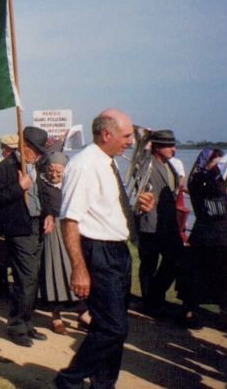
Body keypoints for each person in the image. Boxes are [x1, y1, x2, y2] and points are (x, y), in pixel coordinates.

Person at [54, 109, 154, 389]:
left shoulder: (107, 163)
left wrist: (138, 208)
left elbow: (105, 212)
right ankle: (69, 381)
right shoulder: (85, 164)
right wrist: (79, 268)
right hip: (98, 253)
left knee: (110, 327)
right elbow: (70, 219)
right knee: (114, 328)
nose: (131, 142)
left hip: (117, 251)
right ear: (106, 134)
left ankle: (103, 384)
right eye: (126, 136)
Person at [0, 126, 50, 347]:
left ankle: (27, 322)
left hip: (37, 227)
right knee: (25, 279)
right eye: (36, 150)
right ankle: (16, 326)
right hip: (18, 229)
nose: (39, 154)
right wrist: (19, 187)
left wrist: (49, 214)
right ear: (24, 147)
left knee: (33, 279)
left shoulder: (38, 168)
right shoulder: (3, 168)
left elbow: (44, 194)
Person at [135, 130, 184, 318]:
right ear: (156, 147)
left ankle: (154, 296)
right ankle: (150, 303)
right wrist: (146, 145)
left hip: (167, 224)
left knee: (177, 258)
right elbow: (137, 172)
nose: (174, 148)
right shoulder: (147, 163)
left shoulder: (169, 165)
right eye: (169, 145)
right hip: (150, 224)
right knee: (149, 264)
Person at [37, 152, 87, 335]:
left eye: (59, 172)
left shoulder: (72, 184)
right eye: (51, 171)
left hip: (73, 232)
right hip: (53, 233)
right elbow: (40, 206)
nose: (55, 175)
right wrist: (47, 214)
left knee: (79, 272)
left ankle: (83, 314)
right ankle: (56, 316)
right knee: (55, 274)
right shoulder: (41, 185)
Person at [182, 148, 227, 329]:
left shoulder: (215, 181)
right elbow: (215, 207)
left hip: (222, 237)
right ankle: (189, 312)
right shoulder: (201, 180)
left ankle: (225, 313)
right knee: (197, 277)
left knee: (224, 277)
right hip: (207, 236)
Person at [0, 133, 20, 298]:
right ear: (4, 149)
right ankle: (0, 288)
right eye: (11, 149)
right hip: (1, 212)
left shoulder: (19, 166)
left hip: (16, 214)